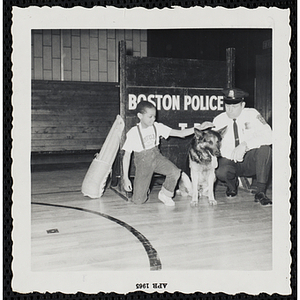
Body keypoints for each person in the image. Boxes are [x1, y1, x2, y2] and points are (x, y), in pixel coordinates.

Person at [122, 100, 196, 206]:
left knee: (175, 172)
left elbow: (181, 133)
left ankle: (165, 194)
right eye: (150, 117)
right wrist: (126, 178)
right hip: (143, 162)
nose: (153, 119)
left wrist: (197, 128)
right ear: (140, 116)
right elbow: (126, 156)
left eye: (154, 116)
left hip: (156, 157)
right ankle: (144, 188)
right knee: (138, 201)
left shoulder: (157, 126)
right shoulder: (133, 133)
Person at [213, 88, 272, 205]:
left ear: (243, 105)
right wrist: (233, 153)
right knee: (220, 171)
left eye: (234, 106)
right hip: (230, 160)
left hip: (249, 160)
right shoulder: (218, 120)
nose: (230, 110)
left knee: (266, 150)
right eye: (227, 106)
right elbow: (217, 146)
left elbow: (269, 135)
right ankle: (232, 186)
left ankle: (260, 192)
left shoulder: (252, 114)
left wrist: (245, 145)